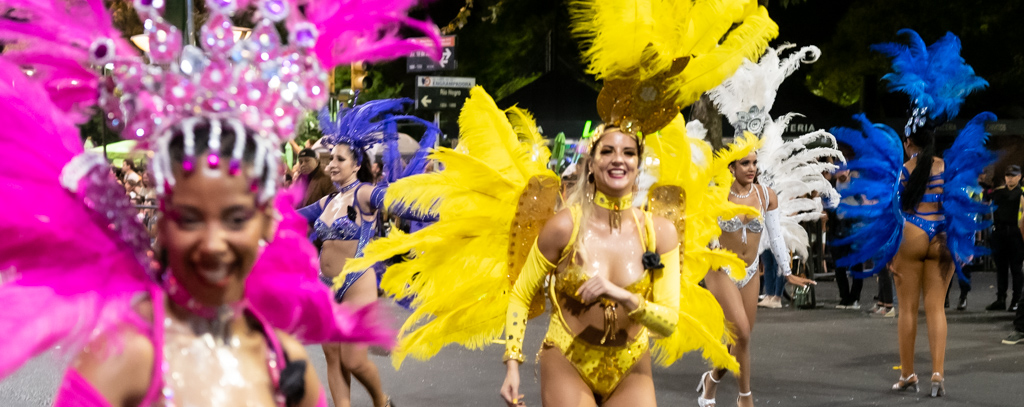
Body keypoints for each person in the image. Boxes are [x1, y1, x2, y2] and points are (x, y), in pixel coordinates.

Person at [0, 0, 441, 405]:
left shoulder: (284, 363)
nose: (213, 243)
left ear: (266, 220)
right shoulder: (129, 357)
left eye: (235, 218)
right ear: (162, 224)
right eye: (190, 218)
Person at [833, 29, 993, 398]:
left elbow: (890, 211)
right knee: (936, 309)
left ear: (908, 140)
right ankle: (937, 374)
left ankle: (908, 374)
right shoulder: (945, 167)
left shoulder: (904, 170)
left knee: (907, 311)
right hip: (942, 237)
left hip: (911, 235)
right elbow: (962, 204)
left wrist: (888, 254)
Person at [298, 99, 438, 407]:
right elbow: (292, 217)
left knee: (353, 359)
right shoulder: (327, 202)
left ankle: (381, 401)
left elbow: (403, 204)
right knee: (332, 356)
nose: (332, 164)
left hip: (356, 284)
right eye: (330, 158)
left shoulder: (364, 194)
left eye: (340, 159)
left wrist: (445, 209)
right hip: (325, 286)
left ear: (356, 164)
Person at [698, 150, 815, 407]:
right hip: (721, 271)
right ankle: (745, 398)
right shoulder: (716, 194)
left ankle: (712, 380)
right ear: (731, 167)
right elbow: (700, 229)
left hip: (750, 272)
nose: (751, 168)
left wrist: (787, 271)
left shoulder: (765, 195)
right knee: (742, 333)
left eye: (754, 163)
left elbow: (774, 236)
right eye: (745, 163)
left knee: (740, 339)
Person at [985, 165, 1024, 312]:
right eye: (1008, 176)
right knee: (1001, 268)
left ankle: (1016, 300)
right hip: (999, 233)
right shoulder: (998, 193)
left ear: (1019, 176)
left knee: (1016, 268)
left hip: (1015, 234)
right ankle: (1000, 299)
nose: (1010, 178)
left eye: (1013, 175)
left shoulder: (1022, 194)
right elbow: (984, 197)